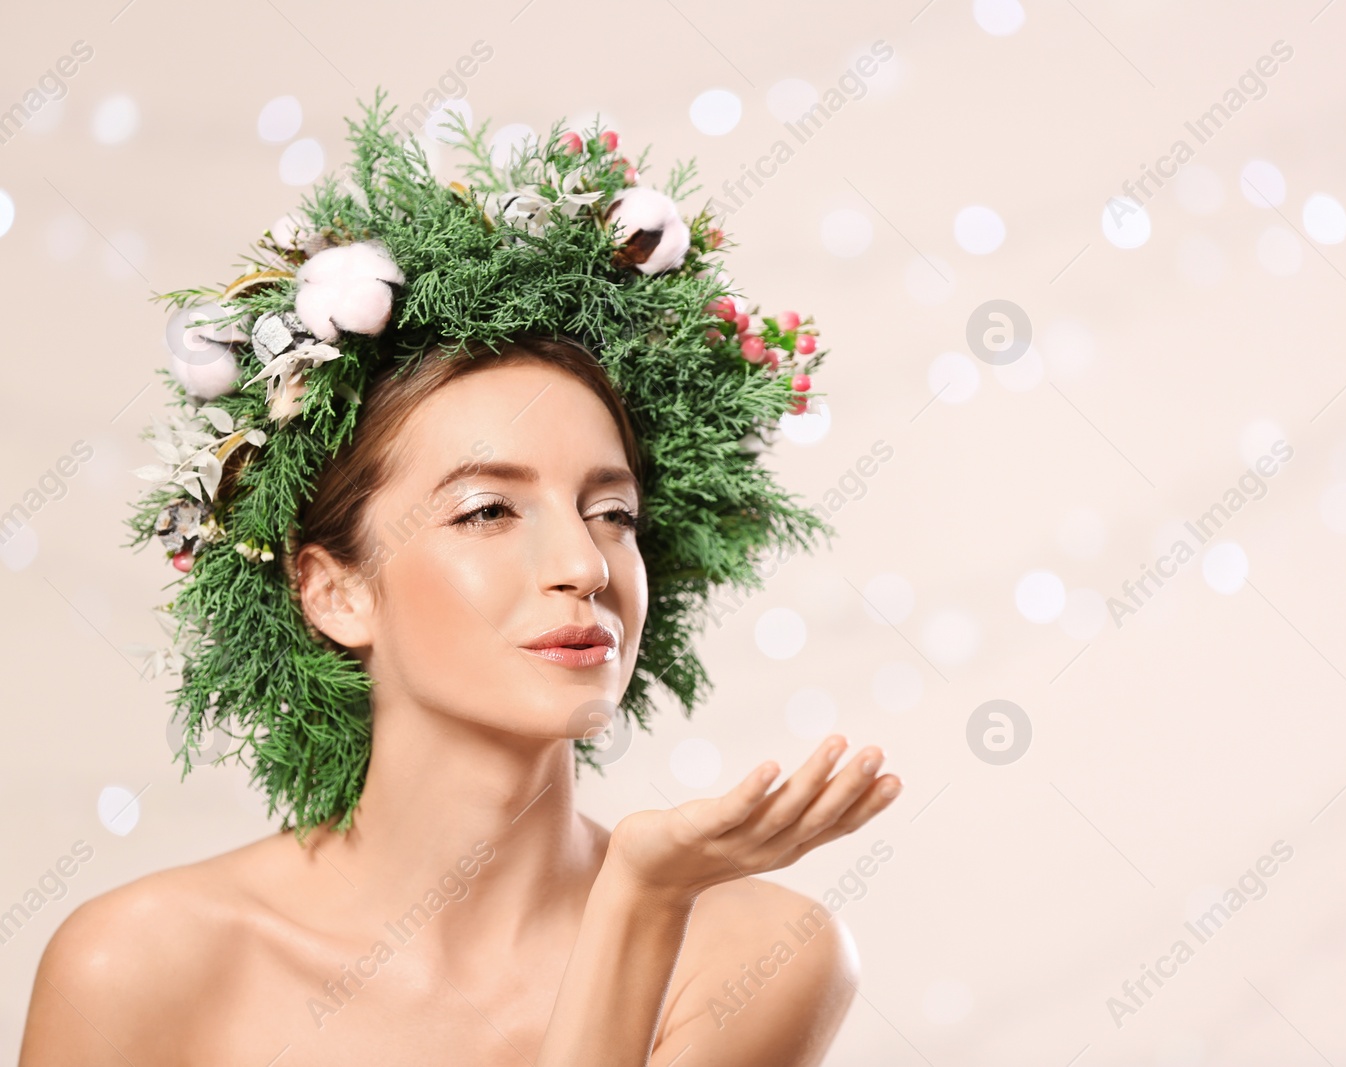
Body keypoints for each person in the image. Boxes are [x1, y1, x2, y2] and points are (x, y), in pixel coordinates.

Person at [19, 97, 900, 1065]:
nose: (582, 566)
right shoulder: (141, 966)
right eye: (487, 510)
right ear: (336, 591)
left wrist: (640, 903)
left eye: (612, 514)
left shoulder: (754, 953)